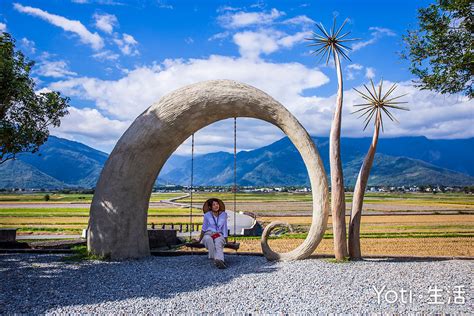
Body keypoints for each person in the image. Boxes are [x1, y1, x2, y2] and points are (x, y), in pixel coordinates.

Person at [197, 198, 228, 269]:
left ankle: (220, 260)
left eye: (217, 204)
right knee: (208, 239)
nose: (216, 206)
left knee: (218, 242)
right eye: (214, 205)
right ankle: (217, 259)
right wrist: (199, 240)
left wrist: (226, 240)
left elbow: (225, 228)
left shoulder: (224, 215)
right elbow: (204, 228)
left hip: (218, 234)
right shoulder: (207, 215)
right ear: (210, 207)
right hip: (208, 233)